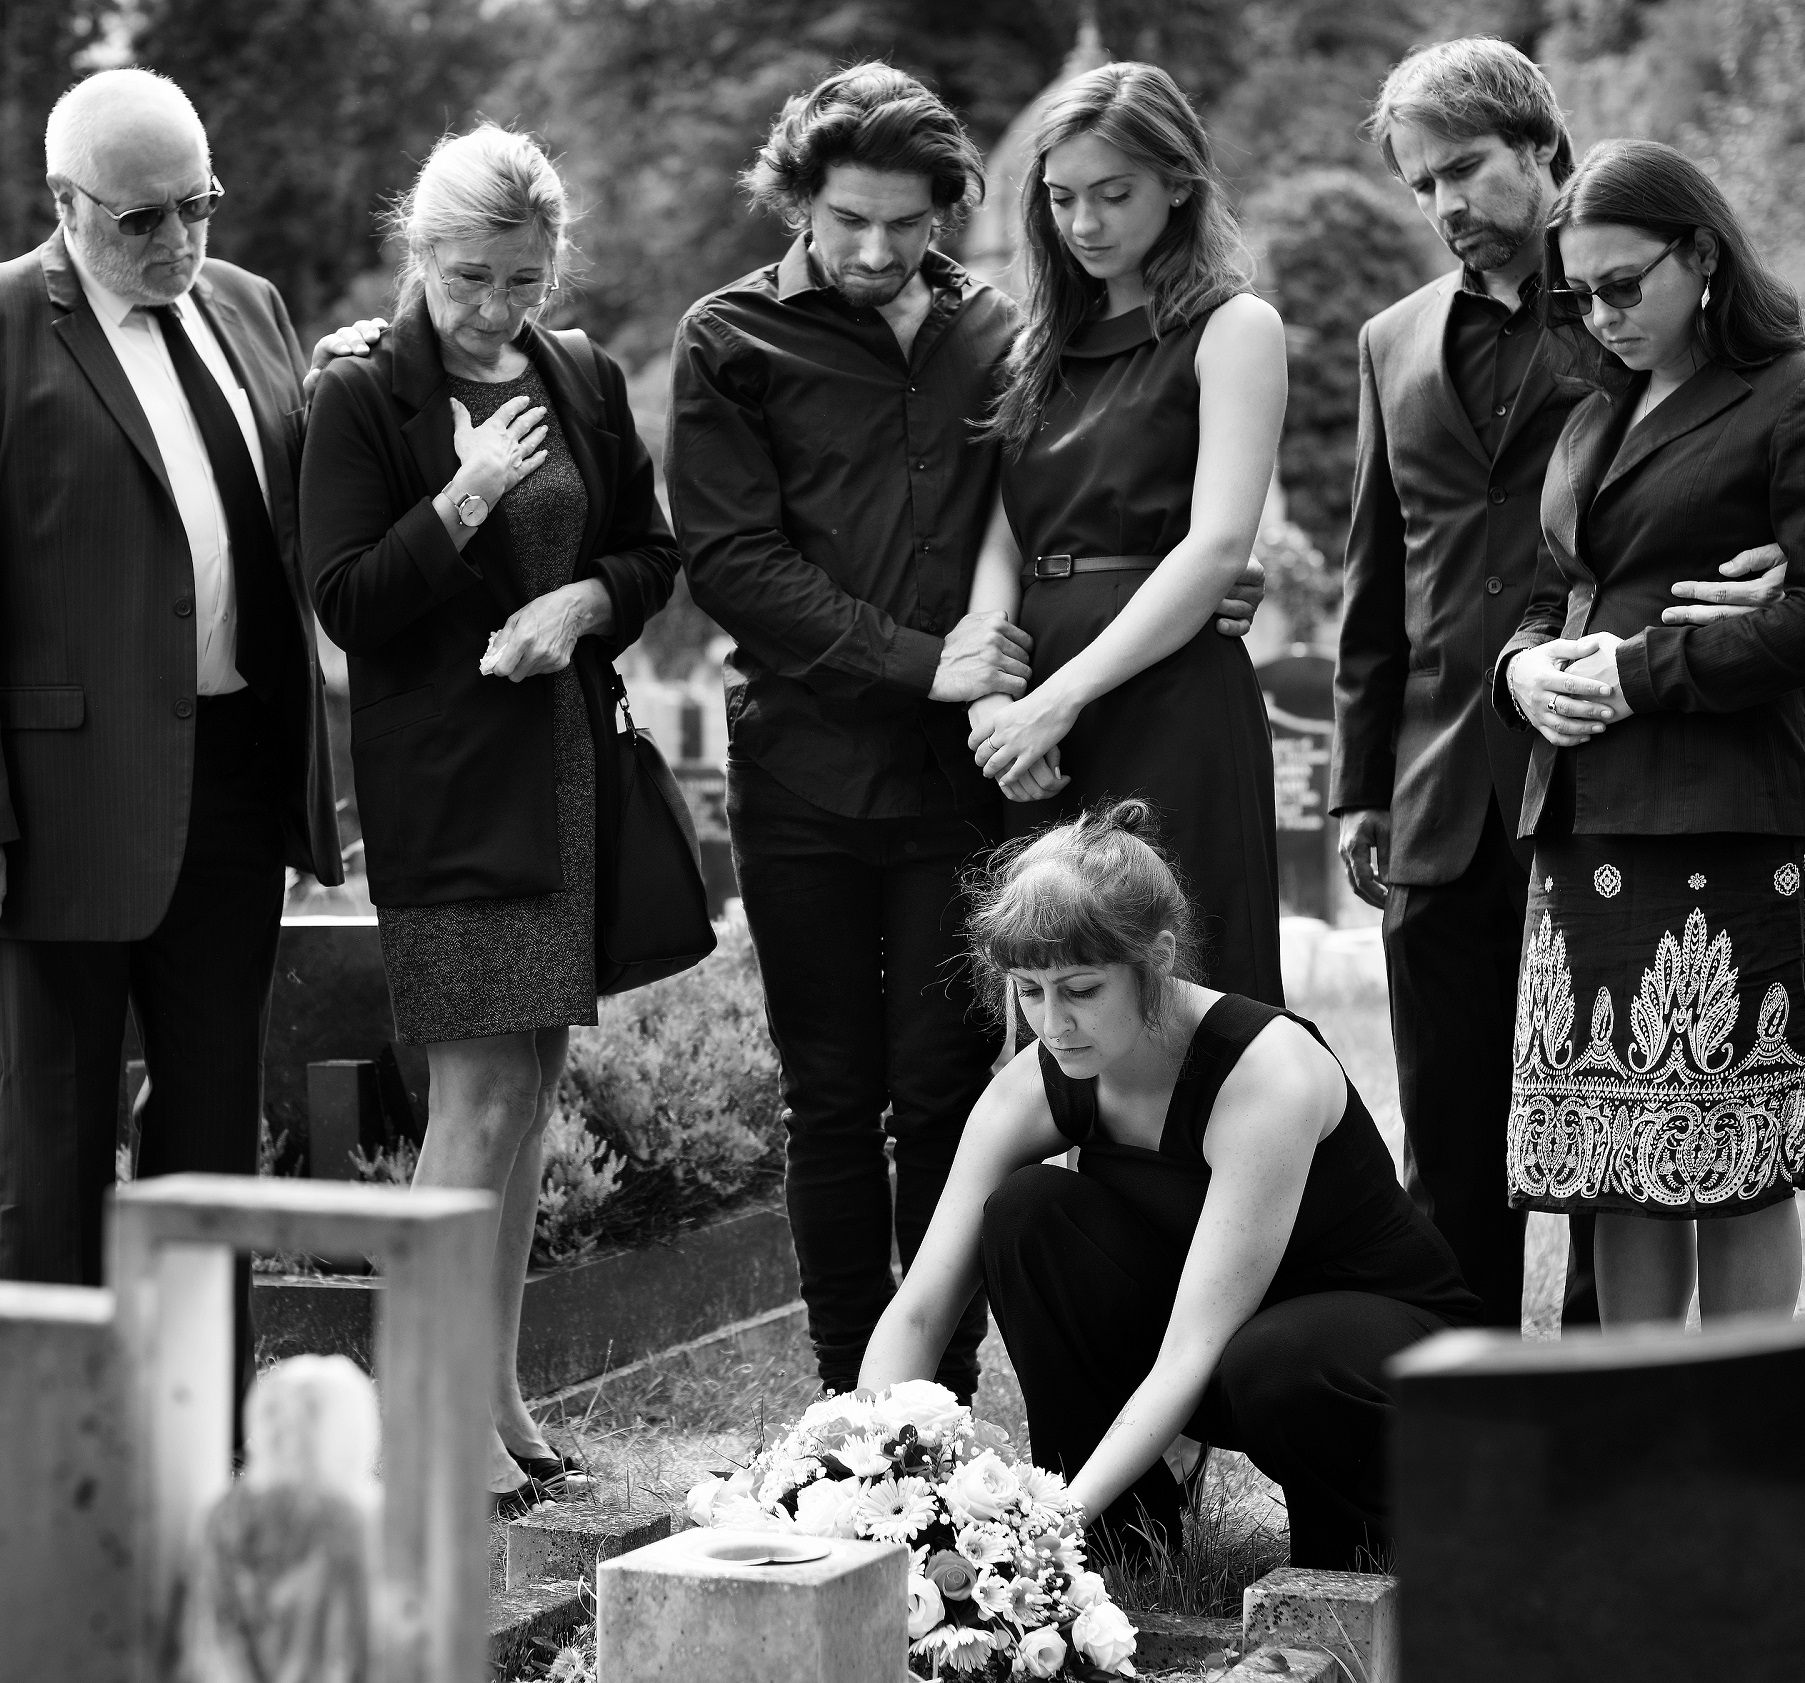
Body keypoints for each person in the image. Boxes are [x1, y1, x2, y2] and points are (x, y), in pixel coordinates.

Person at [666, 64, 1263, 1403]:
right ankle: (845, 1399)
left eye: (907, 221)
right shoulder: (727, 339)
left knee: (954, 1088)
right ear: (798, 202)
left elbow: (1059, 505)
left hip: (962, 785)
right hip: (806, 770)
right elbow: (733, 560)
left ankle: (937, 1391)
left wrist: (1188, 570)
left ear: (949, 207)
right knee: (827, 1094)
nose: (876, 249)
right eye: (846, 220)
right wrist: (927, 663)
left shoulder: (1002, 329)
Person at [1335, 39, 1788, 1329]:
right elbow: (1380, 576)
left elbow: (1754, 440)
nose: (1445, 207)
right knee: (1451, 1151)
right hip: (1436, 793)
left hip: (1606, 777)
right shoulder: (1387, 341)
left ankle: (1601, 1417)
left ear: (1542, 150)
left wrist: (1785, 563)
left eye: (1466, 170)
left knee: (1609, 1146)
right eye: (1420, 184)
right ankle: (1480, 1446)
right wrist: (1362, 785)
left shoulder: (1635, 303)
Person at [301, 124, 677, 1510]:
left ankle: (498, 1390)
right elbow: (345, 600)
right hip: (447, 792)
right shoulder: (361, 392)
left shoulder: (579, 371)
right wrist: (464, 493)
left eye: (521, 279)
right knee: (477, 1093)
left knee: (526, 1094)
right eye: (469, 275)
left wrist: (583, 604)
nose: (493, 307)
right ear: (419, 251)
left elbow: (650, 552)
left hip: (565, 775)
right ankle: (424, 1410)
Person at [0, 70, 379, 1327]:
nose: (177, 243)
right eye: (140, 220)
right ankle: (51, 1468)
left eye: (196, 207)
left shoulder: (250, 303)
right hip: (54, 806)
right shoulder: (5, 327)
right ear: (65, 203)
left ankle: (202, 1444)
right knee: (50, 1152)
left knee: (213, 1133)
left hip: (228, 785)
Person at [859, 801, 1478, 1570]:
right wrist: (857, 1478)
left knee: (1277, 1356)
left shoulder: (1265, 1074)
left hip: (1374, 1365)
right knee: (1027, 1214)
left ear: (1154, 959)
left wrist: (1039, 1529)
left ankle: (1369, 1558)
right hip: (1229, 1351)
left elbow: (1194, 1347)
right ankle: (1121, 1546)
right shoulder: (1038, 1080)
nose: (1054, 1023)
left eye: (1081, 989)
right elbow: (920, 1307)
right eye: (1029, 990)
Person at [1495, 138, 1805, 1326]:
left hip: (1719, 814)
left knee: (1732, 1162)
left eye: (1623, 285)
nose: (1599, 315)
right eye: (1579, 293)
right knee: (1607, 1167)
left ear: (1701, 253)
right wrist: (1523, 675)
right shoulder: (1591, 410)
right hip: (1581, 814)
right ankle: (1635, 1443)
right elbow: (1548, 589)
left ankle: (1740, 1445)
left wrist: (1637, 671)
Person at [965, 62, 1288, 1006]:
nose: (1086, 224)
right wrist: (997, 706)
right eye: (1062, 199)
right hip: (1034, 703)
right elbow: (1001, 536)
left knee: (1188, 979)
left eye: (1115, 195)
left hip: (1170, 689)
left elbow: (1219, 546)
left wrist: (1056, 701)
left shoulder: (1234, 326)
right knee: (1057, 984)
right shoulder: (1031, 347)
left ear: (1179, 181)